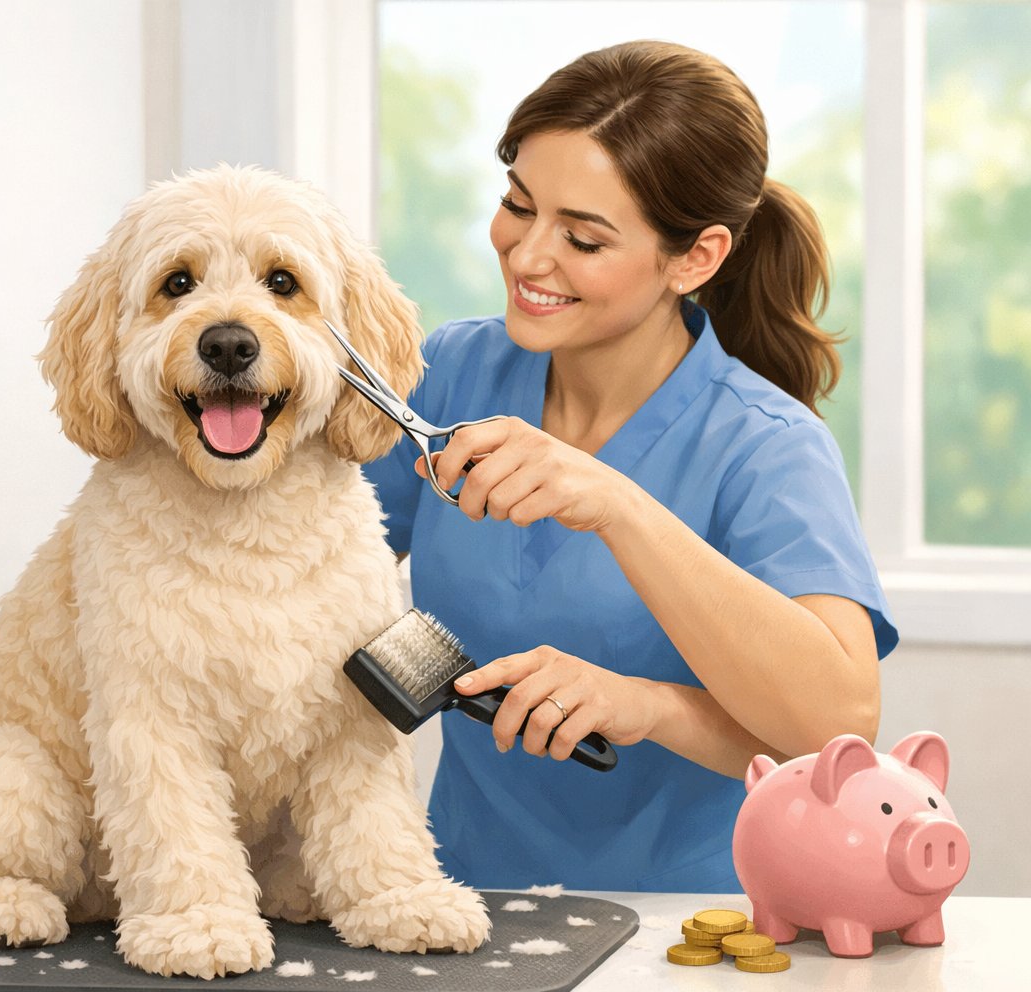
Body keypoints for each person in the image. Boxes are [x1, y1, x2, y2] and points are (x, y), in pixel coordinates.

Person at [363, 40, 897, 893]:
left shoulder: (767, 447)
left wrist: (620, 515)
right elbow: (299, 561)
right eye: (517, 205)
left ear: (696, 257)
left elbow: (836, 728)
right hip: (462, 902)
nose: (528, 256)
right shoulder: (450, 377)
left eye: (582, 237)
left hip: (695, 934)